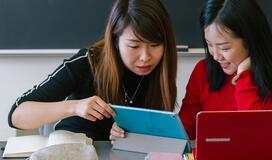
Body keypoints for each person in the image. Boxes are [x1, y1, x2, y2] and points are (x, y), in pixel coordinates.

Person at [8, 0, 177, 140]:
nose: (145, 57)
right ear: (115, 41)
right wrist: (74, 107)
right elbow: (16, 116)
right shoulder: (86, 62)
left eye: (155, 45)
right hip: (72, 150)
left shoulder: (160, 71)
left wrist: (128, 136)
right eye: (134, 46)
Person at [179, 0, 272, 140]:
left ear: (251, 40)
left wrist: (243, 76)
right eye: (209, 44)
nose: (215, 56)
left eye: (224, 48)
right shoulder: (203, 70)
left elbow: (259, 135)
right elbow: (185, 131)